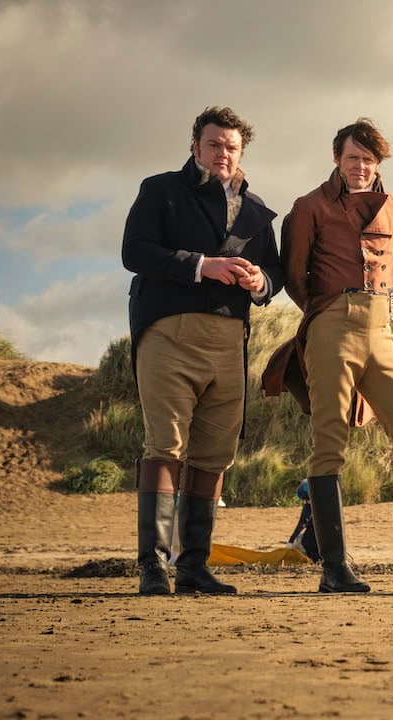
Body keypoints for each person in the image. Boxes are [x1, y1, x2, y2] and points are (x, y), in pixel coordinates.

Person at [275, 118, 393, 593]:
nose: (361, 167)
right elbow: (293, 275)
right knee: (329, 444)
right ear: (337, 159)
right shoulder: (310, 206)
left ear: (378, 163)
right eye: (353, 158)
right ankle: (334, 569)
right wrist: (326, 314)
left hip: (382, 327)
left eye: (369, 160)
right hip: (331, 323)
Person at [122, 106, 283, 595]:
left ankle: (193, 565)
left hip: (230, 339)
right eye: (214, 145)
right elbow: (135, 251)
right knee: (165, 446)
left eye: (231, 147)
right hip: (168, 333)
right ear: (195, 147)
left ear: (241, 152)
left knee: (214, 453)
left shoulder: (257, 212)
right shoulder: (161, 190)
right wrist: (201, 266)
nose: (222, 154)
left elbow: (275, 275)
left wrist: (260, 282)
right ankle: (153, 566)